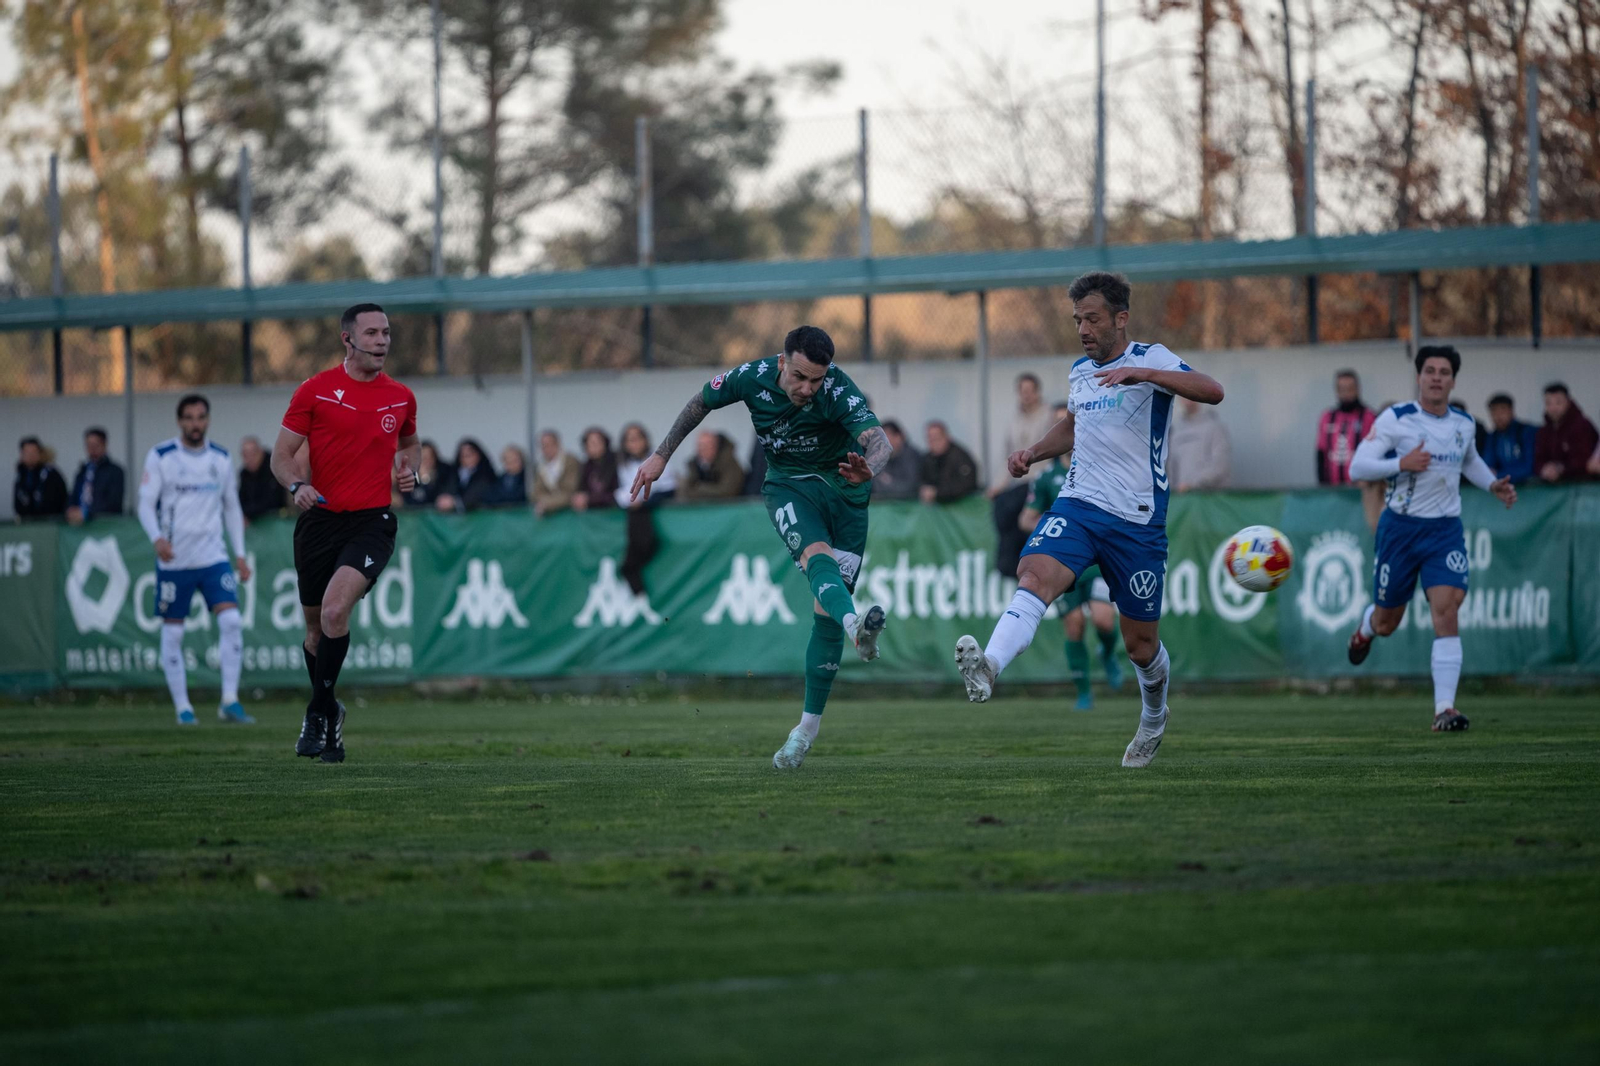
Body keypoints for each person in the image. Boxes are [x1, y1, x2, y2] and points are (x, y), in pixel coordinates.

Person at [953, 271, 1225, 768]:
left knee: (1140, 647)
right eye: (1078, 319)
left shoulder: (1151, 358)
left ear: (1121, 319)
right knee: (1034, 571)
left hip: (1137, 522)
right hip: (1079, 506)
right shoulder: (1080, 371)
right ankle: (989, 668)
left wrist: (1146, 375)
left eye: (1093, 319)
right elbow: (1075, 426)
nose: (1083, 328)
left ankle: (1153, 716)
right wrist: (1033, 451)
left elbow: (1212, 391)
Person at [629, 325, 893, 770]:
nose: (808, 388)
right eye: (800, 377)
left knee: (824, 615)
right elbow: (700, 402)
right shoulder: (751, 377)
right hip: (789, 487)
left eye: (817, 380)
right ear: (782, 363)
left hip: (847, 494)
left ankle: (805, 731)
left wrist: (872, 470)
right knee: (819, 563)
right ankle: (856, 627)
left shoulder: (837, 389)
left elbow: (879, 443)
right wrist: (662, 455)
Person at [271, 303, 419, 764]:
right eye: (372, 333)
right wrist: (298, 485)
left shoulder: (401, 396)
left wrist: (410, 470)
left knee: (337, 611)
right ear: (347, 339)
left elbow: (411, 444)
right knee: (315, 634)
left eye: (387, 333)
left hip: (371, 522)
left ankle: (318, 712)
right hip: (319, 521)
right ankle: (330, 714)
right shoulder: (314, 391)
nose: (382, 341)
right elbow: (281, 455)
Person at [1346, 346, 1518, 732]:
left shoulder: (1463, 422)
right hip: (1400, 530)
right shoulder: (1397, 419)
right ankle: (1366, 629)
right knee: (1388, 620)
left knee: (1447, 609)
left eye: (1444, 372)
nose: (1437, 377)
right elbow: (1358, 465)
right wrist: (1399, 464)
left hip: (1444, 530)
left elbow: (1468, 459)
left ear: (1453, 380)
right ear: (1419, 377)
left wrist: (1492, 483)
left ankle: (1445, 709)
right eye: (1429, 371)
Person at [137, 395, 252, 726]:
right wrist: (156, 538)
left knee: (231, 622)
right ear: (179, 422)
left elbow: (232, 507)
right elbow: (146, 503)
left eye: (200, 417)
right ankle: (183, 708)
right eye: (189, 418)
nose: (195, 423)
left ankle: (229, 701)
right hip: (175, 561)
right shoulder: (162, 457)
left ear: (208, 420)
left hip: (213, 558)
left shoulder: (220, 458)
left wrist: (239, 554)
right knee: (173, 634)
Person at [1018, 402, 1122, 710]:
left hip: (1098, 560)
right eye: (1059, 423)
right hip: (1064, 560)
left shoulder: (1099, 466)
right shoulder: (1046, 477)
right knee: (1074, 624)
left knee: (1104, 620)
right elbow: (1026, 519)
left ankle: (1107, 653)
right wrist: (1056, 529)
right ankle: (1084, 691)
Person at [991, 373, 1054, 576]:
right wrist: (998, 485)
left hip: (1039, 481)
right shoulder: (1014, 420)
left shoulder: (1049, 416)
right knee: (1002, 511)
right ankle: (1009, 567)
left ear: (1037, 392)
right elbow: (1007, 456)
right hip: (1018, 483)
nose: (1025, 395)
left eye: (1029, 391)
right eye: (1022, 391)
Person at [616, 422, 676, 594]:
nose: (633, 444)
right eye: (629, 440)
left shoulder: (656, 461)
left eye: (637, 439)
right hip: (634, 511)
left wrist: (644, 502)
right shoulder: (623, 465)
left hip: (651, 509)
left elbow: (669, 488)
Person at [1315, 370, 1375, 485]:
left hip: (1361, 489)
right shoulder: (1327, 417)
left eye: (1350, 388)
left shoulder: (1369, 417)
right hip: (1332, 490)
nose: (1346, 393)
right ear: (1336, 391)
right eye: (1342, 389)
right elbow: (1320, 454)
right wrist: (1322, 486)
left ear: (1357, 389)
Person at [1535, 383, 1599, 484]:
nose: (1553, 408)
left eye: (1558, 402)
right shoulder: (1544, 431)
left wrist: (1561, 469)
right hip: (1555, 486)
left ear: (1568, 402)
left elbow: (1584, 461)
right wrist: (1544, 469)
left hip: (1584, 484)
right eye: (1548, 403)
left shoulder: (1582, 425)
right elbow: (1538, 459)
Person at [1168, 397, 1231, 491]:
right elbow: (1171, 466)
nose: (1188, 398)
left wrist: (1191, 485)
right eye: (1184, 394)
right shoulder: (1175, 429)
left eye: (1190, 393)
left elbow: (1220, 466)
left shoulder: (1214, 427)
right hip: (1181, 499)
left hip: (1208, 499)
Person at [66, 427, 125, 524]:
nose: (92, 449)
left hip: (103, 525)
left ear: (104, 445)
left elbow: (114, 503)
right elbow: (73, 495)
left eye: (95, 445)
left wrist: (88, 514)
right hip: (79, 526)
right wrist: (71, 510)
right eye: (88, 445)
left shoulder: (115, 471)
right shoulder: (82, 471)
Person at [918, 421, 979, 504]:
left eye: (936, 438)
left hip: (962, 508)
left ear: (947, 437)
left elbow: (967, 484)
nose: (933, 442)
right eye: (930, 438)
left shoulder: (960, 457)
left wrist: (937, 492)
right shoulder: (927, 458)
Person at [1483, 394, 1539, 484]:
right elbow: (1488, 466)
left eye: (1502, 411)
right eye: (1494, 412)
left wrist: (1500, 475)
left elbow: (1530, 467)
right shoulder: (1493, 437)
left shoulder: (1526, 432)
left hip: (1530, 489)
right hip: (1505, 491)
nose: (1498, 417)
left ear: (1512, 411)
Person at [677, 430, 745, 500]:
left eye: (706, 446)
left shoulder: (730, 464)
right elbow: (687, 490)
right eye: (699, 446)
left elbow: (727, 492)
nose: (702, 450)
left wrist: (701, 488)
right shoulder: (694, 464)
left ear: (715, 446)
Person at [13, 436, 67, 519]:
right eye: (27, 452)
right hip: (27, 526)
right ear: (21, 454)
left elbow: (59, 501)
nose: (30, 456)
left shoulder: (51, 474)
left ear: (40, 453)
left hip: (50, 524)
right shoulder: (20, 477)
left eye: (34, 452)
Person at [436, 438, 496, 512]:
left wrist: (455, 503)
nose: (467, 459)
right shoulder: (454, 474)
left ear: (478, 455)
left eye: (469, 455)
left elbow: (476, 495)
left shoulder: (486, 474)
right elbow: (447, 490)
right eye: (463, 456)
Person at [237, 436, 286, 521]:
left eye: (253, 454)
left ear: (261, 452)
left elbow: (273, 501)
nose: (250, 459)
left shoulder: (273, 469)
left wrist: (249, 513)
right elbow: (240, 500)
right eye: (246, 455)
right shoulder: (244, 474)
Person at [532, 431, 580, 515]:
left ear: (557, 444)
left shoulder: (569, 461)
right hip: (548, 512)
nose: (546, 449)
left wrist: (548, 503)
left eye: (549, 444)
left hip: (569, 513)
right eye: (543, 446)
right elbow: (536, 491)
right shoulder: (541, 466)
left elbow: (570, 490)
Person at [872, 420, 922, 500]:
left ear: (898, 437)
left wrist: (889, 483)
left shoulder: (912, 457)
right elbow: (876, 486)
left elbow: (911, 488)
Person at [572, 428, 618, 512]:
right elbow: (581, 489)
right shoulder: (585, 466)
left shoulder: (616, 462)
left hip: (613, 512)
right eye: (589, 444)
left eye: (596, 443)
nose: (593, 447)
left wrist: (590, 499)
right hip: (592, 515)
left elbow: (618, 493)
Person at [399, 440, 450, 509]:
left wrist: (427, 480)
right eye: (424, 457)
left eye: (430, 457)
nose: (427, 461)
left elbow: (434, 501)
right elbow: (409, 501)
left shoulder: (444, 474)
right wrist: (423, 479)